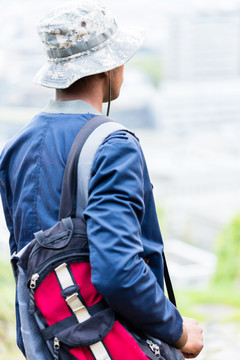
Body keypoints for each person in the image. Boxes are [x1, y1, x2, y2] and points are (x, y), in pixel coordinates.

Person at [0, 0, 203, 359]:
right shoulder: (114, 145)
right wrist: (178, 330)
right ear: (110, 66)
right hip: (113, 344)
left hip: (50, 343)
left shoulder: (16, 147)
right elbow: (118, 270)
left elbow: (26, 263)